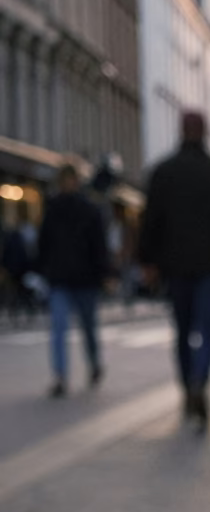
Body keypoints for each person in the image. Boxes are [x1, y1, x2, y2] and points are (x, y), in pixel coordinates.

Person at [138, 111, 210, 429]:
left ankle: (188, 386)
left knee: (183, 332)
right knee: (208, 331)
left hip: (176, 267)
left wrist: (150, 261)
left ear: (181, 131)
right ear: (205, 132)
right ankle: (201, 380)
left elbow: (150, 221)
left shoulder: (164, 172)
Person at [38, 163, 107, 397]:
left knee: (88, 327)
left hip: (85, 279)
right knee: (59, 327)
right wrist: (44, 269)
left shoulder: (89, 209)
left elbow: (98, 245)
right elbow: (44, 243)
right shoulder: (53, 209)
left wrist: (103, 273)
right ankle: (60, 375)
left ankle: (94, 363)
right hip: (60, 278)